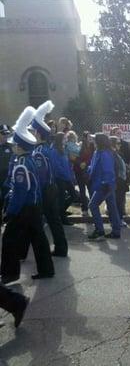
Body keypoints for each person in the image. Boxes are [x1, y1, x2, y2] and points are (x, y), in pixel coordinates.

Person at [1, 106, 54, 283]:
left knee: (9, 238)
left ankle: (9, 274)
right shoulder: (27, 159)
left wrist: (10, 211)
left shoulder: (21, 164)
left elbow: (19, 193)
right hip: (33, 205)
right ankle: (46, 270)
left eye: (14, 144)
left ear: (19, 146)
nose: (12, 146)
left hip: (24, 207)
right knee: (38, 238)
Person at [31, 101, 68, 257]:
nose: (32, 133)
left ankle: (54, 251)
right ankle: (61, 248)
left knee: (48, 221)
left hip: (45, 189)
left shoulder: (39, 151)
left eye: (33, 131)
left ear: (39, 134)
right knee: (54, 220)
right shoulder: (47, 148)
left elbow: (41, 175)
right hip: (52, 187)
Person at [87, 133, 121, 239]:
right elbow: (94, 166)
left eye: (94, 139)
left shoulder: (104, 153)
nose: (92, 141)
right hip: (106, 184)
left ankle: (100, 230)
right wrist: (88, 171)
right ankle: (116, 231)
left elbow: (108, 171)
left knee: (92, 205)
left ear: (99, 141)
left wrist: (106, 183)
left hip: (104, 184)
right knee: (112, 207)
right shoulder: (99, 152)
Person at [51, 132, 76, 225]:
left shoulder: (64, 149)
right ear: (60, 140)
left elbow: (67, 165)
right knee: (61, 198)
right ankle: (62, 217)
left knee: (74, 195)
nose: (66, 140)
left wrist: (70, 175)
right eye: (64, 138)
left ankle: (60, 211)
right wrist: (66, 175)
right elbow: (56, 167)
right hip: (60, 179)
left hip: (67, 178)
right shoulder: (54, 151)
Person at [0, 124, 13, 228]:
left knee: (6, 197)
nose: (5, 136)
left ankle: (5, 216)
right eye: (3, 134)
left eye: (6, 134)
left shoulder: (10, 146)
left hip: (7, 176)